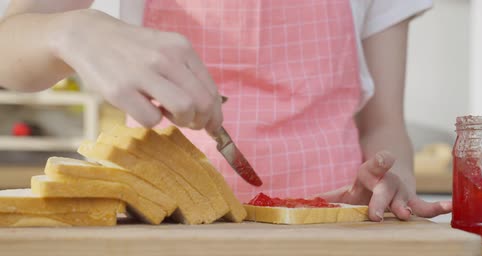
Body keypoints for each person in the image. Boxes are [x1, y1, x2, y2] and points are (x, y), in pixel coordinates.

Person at [0, 0, 451, 221]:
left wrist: (392, 188)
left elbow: (385, 125)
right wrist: (72, 31)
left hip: (332, 235)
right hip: (166, 233)